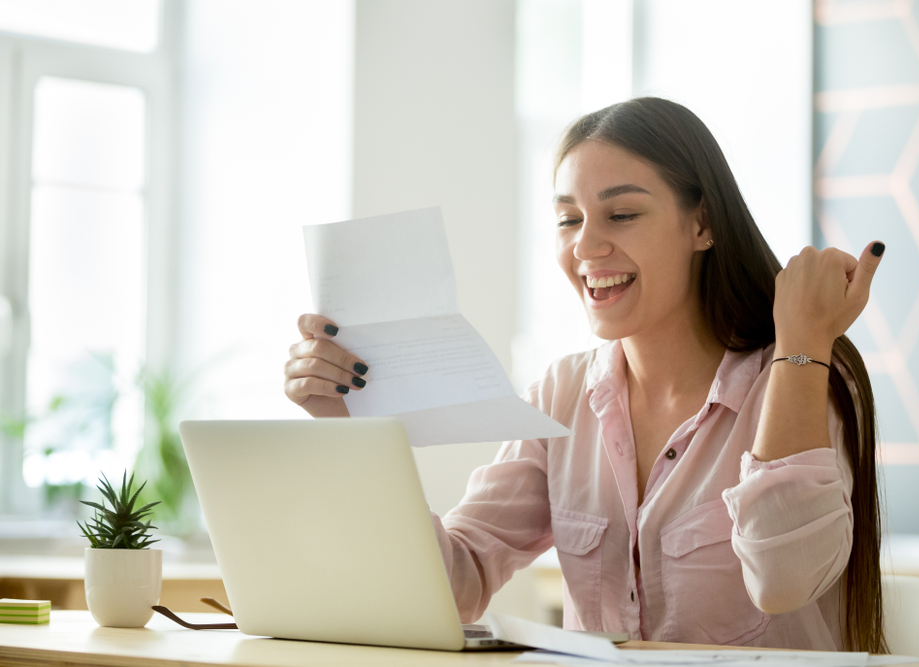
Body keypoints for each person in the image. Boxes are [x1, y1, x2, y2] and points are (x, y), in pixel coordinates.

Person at [283, 97, 886, 652]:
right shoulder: (563, 394)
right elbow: (453, 585)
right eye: (569, 220)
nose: (586, 247)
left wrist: (804, 343)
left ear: (702, 225)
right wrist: (346, 427)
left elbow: (784, 580)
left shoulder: (800, 378)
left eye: (621, 214)